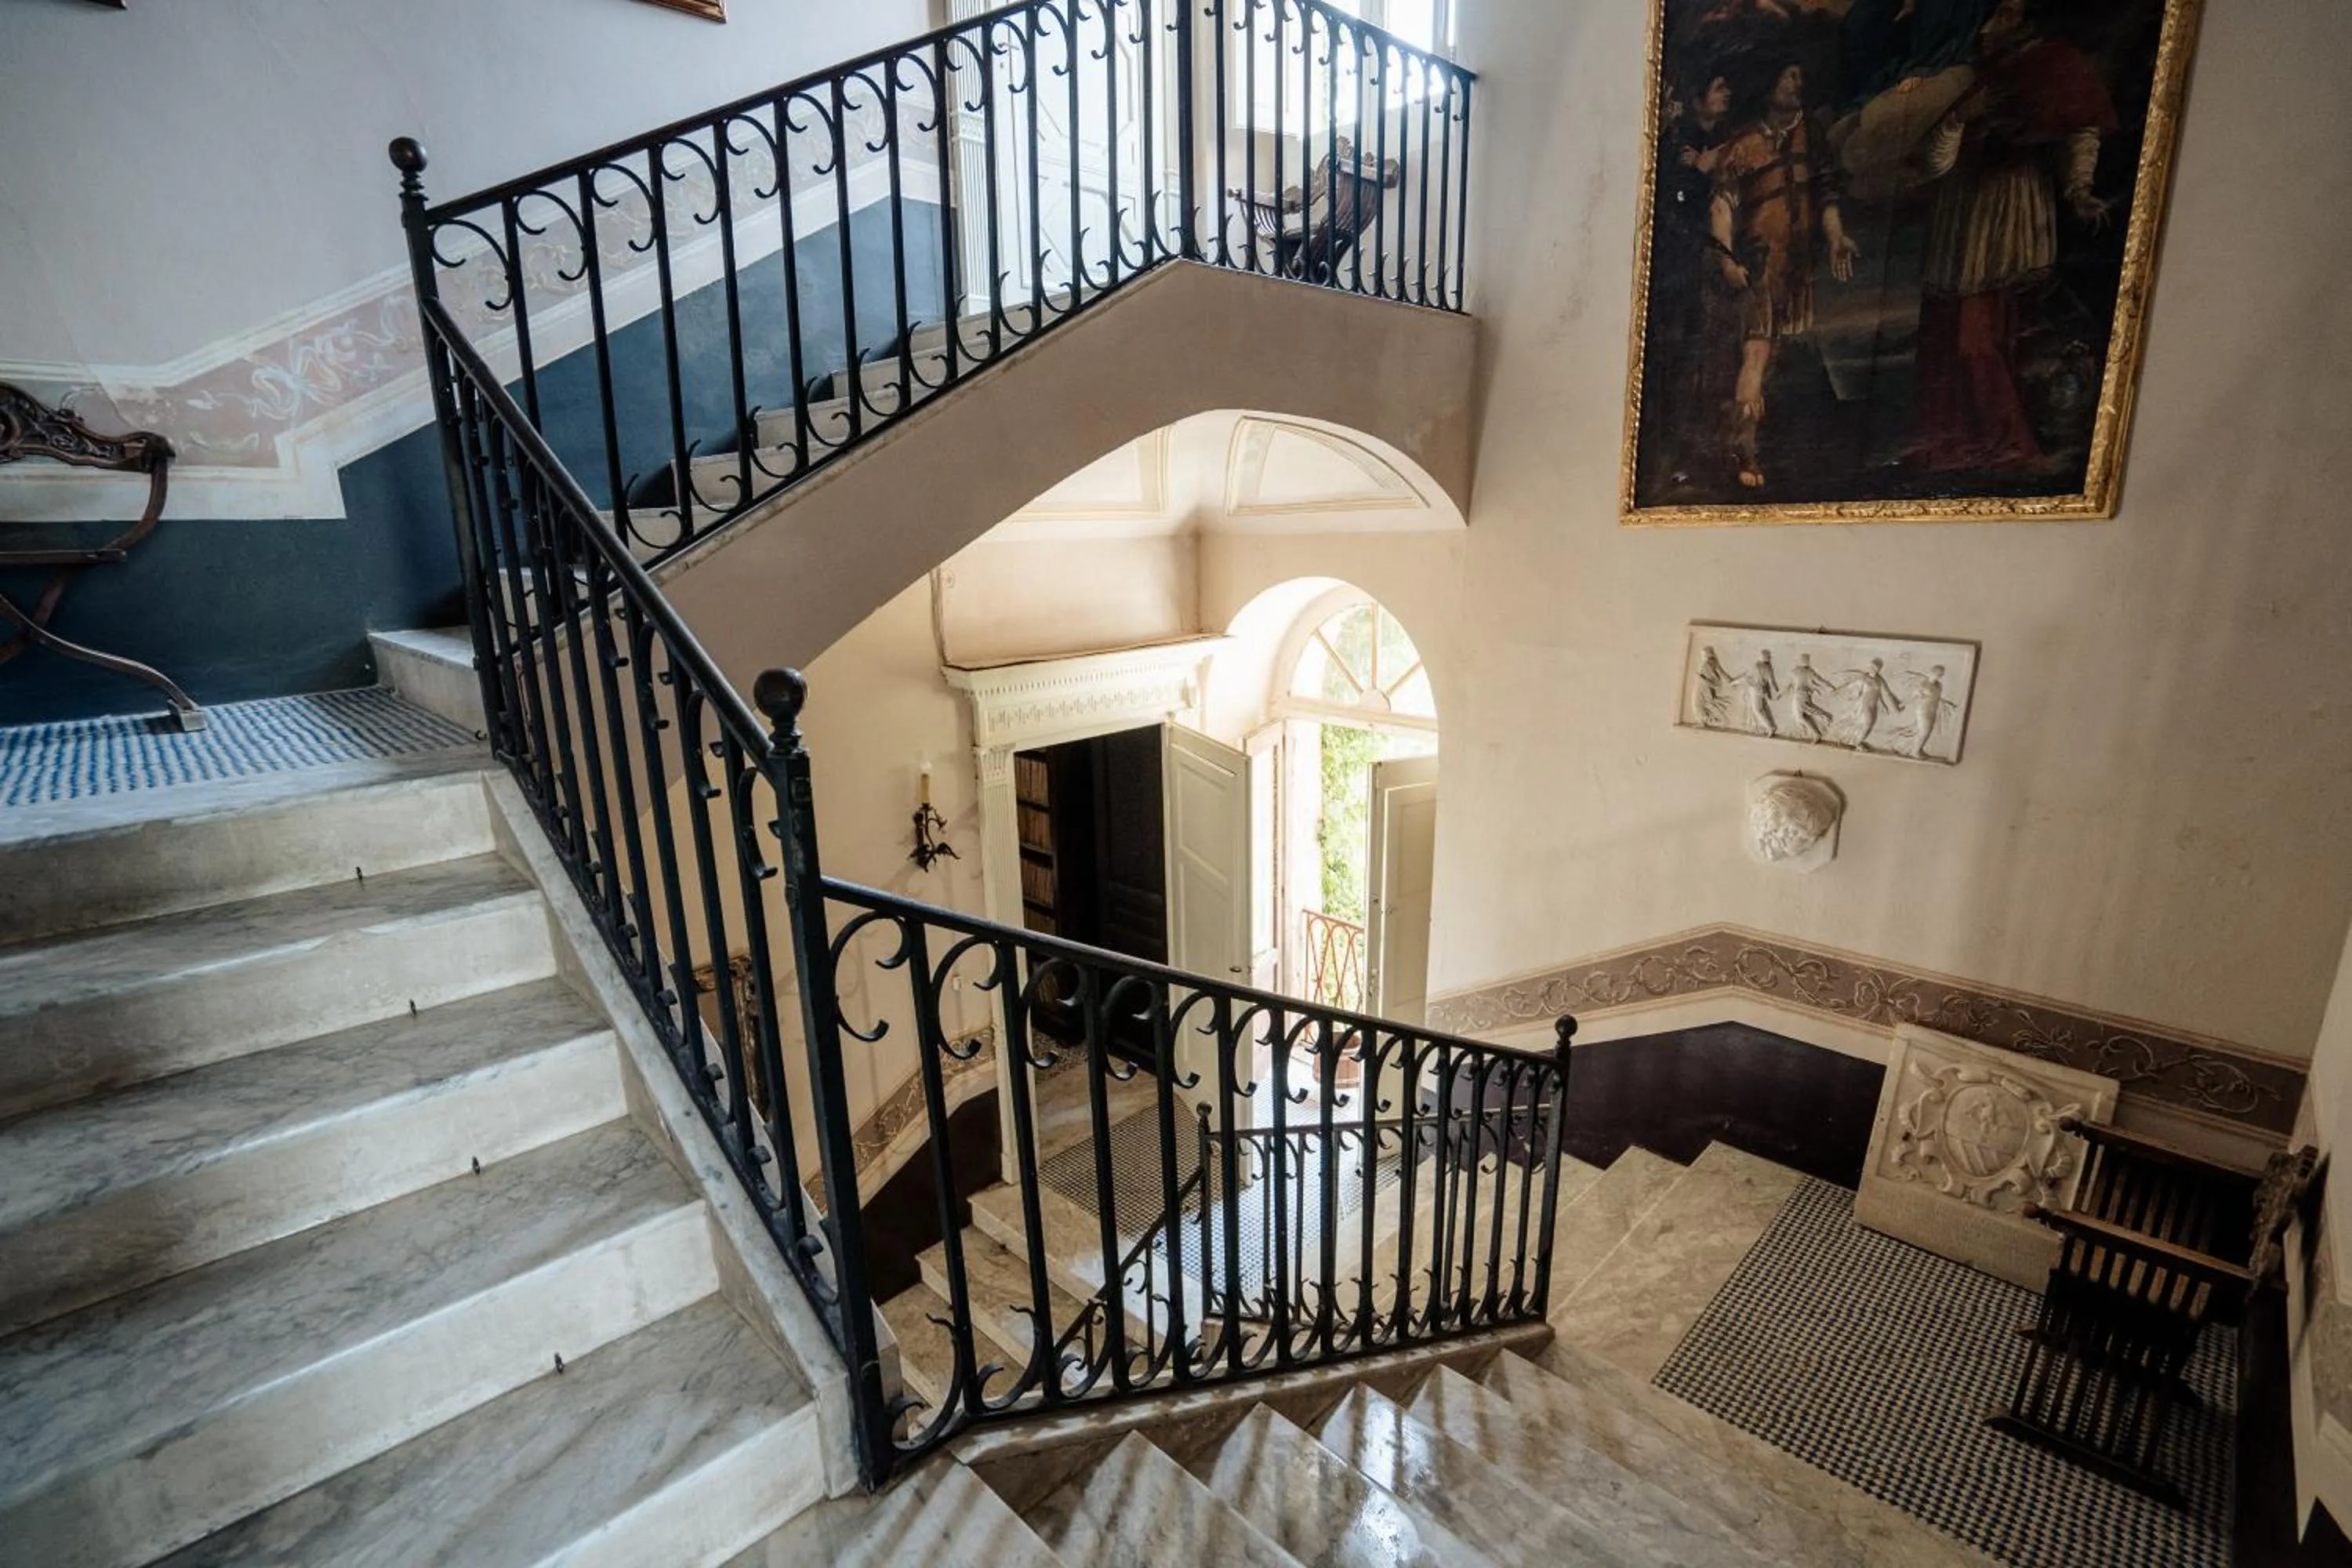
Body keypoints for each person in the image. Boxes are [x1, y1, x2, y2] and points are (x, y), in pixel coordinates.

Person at [1913, 0, 2118, 474]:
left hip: (2011, 209)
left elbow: (2081, 129)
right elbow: (1935, 162)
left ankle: (2007, 441)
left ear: (2022, 17)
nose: (1984, 30)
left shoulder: (2056, 64)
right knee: (1960, 332)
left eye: (1998, 15)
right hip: (1962, 217)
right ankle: (1962, 442)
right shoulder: (1978, 78)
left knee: (1993, 331)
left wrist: (2079, 189)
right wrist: (1962, 117)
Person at [1708, 63, 1862, 490]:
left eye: (1800, 77)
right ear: (1768, 82)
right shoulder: (1743, 143)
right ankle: (1744, 448)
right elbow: (1722, 206)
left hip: (1795, 266)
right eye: (1788, 76)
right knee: (1756, 354)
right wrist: (1725, 259)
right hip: (1757, 264)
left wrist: (1835, 238)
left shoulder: (1811, 135)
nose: (1796, 83)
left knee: (1771, 357)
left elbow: (1826, 194)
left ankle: (1750, 436)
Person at [1644, 71, 1740, 492]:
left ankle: (1697, 451)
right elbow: (1673, 212)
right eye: (1719, 87)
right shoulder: (1678, 149)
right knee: (1679, 368)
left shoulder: (1715, 147)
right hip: (1680, 282)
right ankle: (1671, 457)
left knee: (1707, 364)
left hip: (1700, 280)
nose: (1727, 95)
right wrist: (1698, 175)